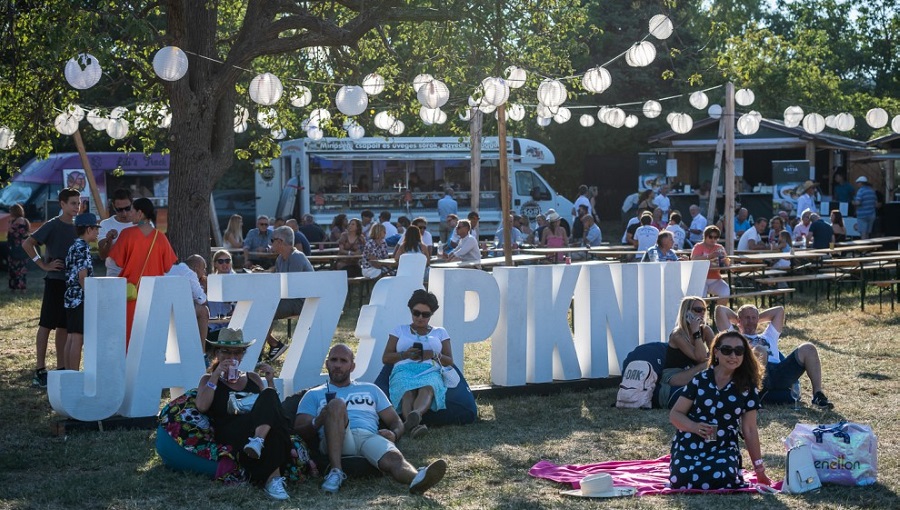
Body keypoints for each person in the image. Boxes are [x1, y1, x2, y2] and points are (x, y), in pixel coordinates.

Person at [295, 344, 448, 495]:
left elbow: (396, 421)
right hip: (336, 439)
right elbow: (299, 430)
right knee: (336, 404)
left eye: (343, 361)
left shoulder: (371, 389)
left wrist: (394, 434)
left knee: (394, 458)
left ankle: (417, 479)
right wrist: (320, 419)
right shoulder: (313, 394)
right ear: (327, 364)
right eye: (334, 360)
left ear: (352, 366)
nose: (337, 365)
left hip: (368, 436)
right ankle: (335, 472)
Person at [195, 329, 294, 500]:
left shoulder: (253, 378)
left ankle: (259, 444)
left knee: (270, 397)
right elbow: (202, 406)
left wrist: (269, 380)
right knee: (276, 431)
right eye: (225, 351)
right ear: (217, 352)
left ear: (242, 355)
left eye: (236, 352)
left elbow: (272, 408)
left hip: (255, 429)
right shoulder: (208, 379)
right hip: (232, 429)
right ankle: (273, 479)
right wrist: (216, 376)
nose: (231, 356)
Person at [668, 330, 770, 489]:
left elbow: (749, 430)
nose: (733, 356)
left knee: (723, 477)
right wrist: (694, 427)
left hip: (723, 445)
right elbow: (675, 414)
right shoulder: (700, 379)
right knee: (680, 478)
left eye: (739, 351)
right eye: (727, 350)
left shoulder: (746, 386)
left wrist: (759, 470)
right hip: (690, 440)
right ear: (716, 352)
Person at [715, 304, 834, 409]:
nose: (750, 321)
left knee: (808, 347)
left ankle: (818, 395)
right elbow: (720, 310)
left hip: (778, 372)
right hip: (753, 374)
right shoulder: (734, 337)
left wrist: (755, 317)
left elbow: (779, 310)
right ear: (738, 320)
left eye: (753, 318)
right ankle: (754, 397)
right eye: (746, 318)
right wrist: (739, 319)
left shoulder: (768, 336)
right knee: (760, 350)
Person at [22, 187, 81, 387]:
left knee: (64, 326)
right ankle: (40, 370)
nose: (76, 207)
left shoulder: (78, 226)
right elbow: (27, 244)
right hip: (55, 282)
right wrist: (43, 265)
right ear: (62, 204)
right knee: (46, 325)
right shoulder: (53, 225)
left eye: (78, 203)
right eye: (72, 203)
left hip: (71, 284)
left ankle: (61, 368)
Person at [381, 290, 453, 439]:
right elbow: (386, 357)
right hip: (403, 368)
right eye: (416, 313)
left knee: (428, 387)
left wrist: (433, 355)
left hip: (430, 368)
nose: (420, 317)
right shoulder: (399, 330)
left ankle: (413, 419)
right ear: (411, 311)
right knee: (407, 391)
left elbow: (450, 360)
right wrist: (405, 354)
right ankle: (415, 424)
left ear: (431, 314)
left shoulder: (440, 332)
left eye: (425, 315)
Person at [109, 197, 178, 349]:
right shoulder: (160, 237)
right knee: (151, 338)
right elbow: (168, 267)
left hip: (130, 294)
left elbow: (114, 262)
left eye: (132, 210)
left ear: (140, 213)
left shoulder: (127, 234)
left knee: (129, 338)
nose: (129, 214)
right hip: (154, 294)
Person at [261, 226, 315, 362]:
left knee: (266, 309)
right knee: (263, 308)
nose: (271, 243)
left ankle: (264, 349)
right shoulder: (280, 258)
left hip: (303, 301)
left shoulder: (296, 257)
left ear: (280, 241)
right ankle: (272, 344)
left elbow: (292, 289)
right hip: (290, 299)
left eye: (272, 240)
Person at [657, 296, 713, 408]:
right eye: (697, 310)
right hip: (674, 375)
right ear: (687, 312)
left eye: (704, 309)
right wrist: (696, 332)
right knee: (708, 364)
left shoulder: (706, 330)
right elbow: (700, 358)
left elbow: (718, 352)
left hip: (694, 371)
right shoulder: (677, 335)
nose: (702, 313)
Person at [63, 213, 100, 370]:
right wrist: (91, 298)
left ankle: (67, 374)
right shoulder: (83, 248)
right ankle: (74, 374)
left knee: (71, 337)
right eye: (96, 229)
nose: (98, 232)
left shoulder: (73, 246)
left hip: (70, 297)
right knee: (78, 338)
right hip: (80, 298)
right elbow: (83, 276)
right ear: (88, 229)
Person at [166, 254, 210, 346]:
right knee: (204, 311)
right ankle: (202, 352)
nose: (204, 273)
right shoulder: (190, 273)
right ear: (196, 268)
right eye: (204, 269)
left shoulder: (172, 268)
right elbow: (201, 300)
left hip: (164, 307)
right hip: (175, 311)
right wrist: (205, 288)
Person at [98, 188, 136, 277]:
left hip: (137, 275)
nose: (124, 213)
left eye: (127, 208)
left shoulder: (143, 224)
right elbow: (102, 255)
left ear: (132, 204)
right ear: (113, 206)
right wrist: (109, 240)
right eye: (120, 209)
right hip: (115, 275)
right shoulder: (105, 224)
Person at [690, 225, 730, 305]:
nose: (713, 239)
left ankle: (719, 314)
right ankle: (701, 315)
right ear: (705, 236)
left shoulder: (719, 247)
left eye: (716, 237)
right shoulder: (698, 246)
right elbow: (694, 259)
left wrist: (726, 261)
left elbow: (726, 263)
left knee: (725, 291)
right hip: (701, 279)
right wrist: (709, 256)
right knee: (701, 298)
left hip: (715, 278)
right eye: (710, 237)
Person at [207, 250, 236, 343]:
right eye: (220, 261)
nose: (225, 264)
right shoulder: (210, 280)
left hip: (231, 324)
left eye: (227, 261)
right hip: (213, 324)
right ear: (215, 264)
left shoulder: (236, 280)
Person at [6, 203, 30, 292]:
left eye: (11, 211)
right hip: (18, 249)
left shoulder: (20, 220)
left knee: (18, 269)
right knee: (17, 269)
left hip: (18, 248)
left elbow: (17, 233)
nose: (9, 212)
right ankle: (17, 288)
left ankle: (19, 288)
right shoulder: (18, 220)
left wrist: (10, 225)